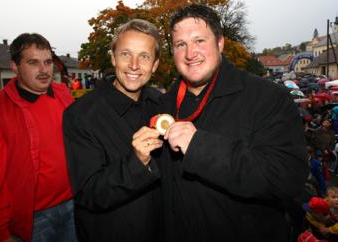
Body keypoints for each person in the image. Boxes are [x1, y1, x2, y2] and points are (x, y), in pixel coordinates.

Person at [153, 4, 308, 241]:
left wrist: (199, 147)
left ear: (220, 43)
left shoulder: (267, 97)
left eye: (199, 41)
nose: (189, 53)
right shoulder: (164, 106)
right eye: (180, 44)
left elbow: (286, 179)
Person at [62, 19, 163, 242]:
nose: (134, 65)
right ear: (113, 57)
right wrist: (136, 161)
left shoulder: (163, 105)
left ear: (155, 64)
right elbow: (89, 194)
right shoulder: (80, 115)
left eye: (144, 56)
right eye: (126, 54)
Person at [0, 33, 76, 242]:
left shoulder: (63, 95)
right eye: (33, 62)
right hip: (33, 220)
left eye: (48, 62)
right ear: (14, 66)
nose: (44, 70)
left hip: (73, 207)